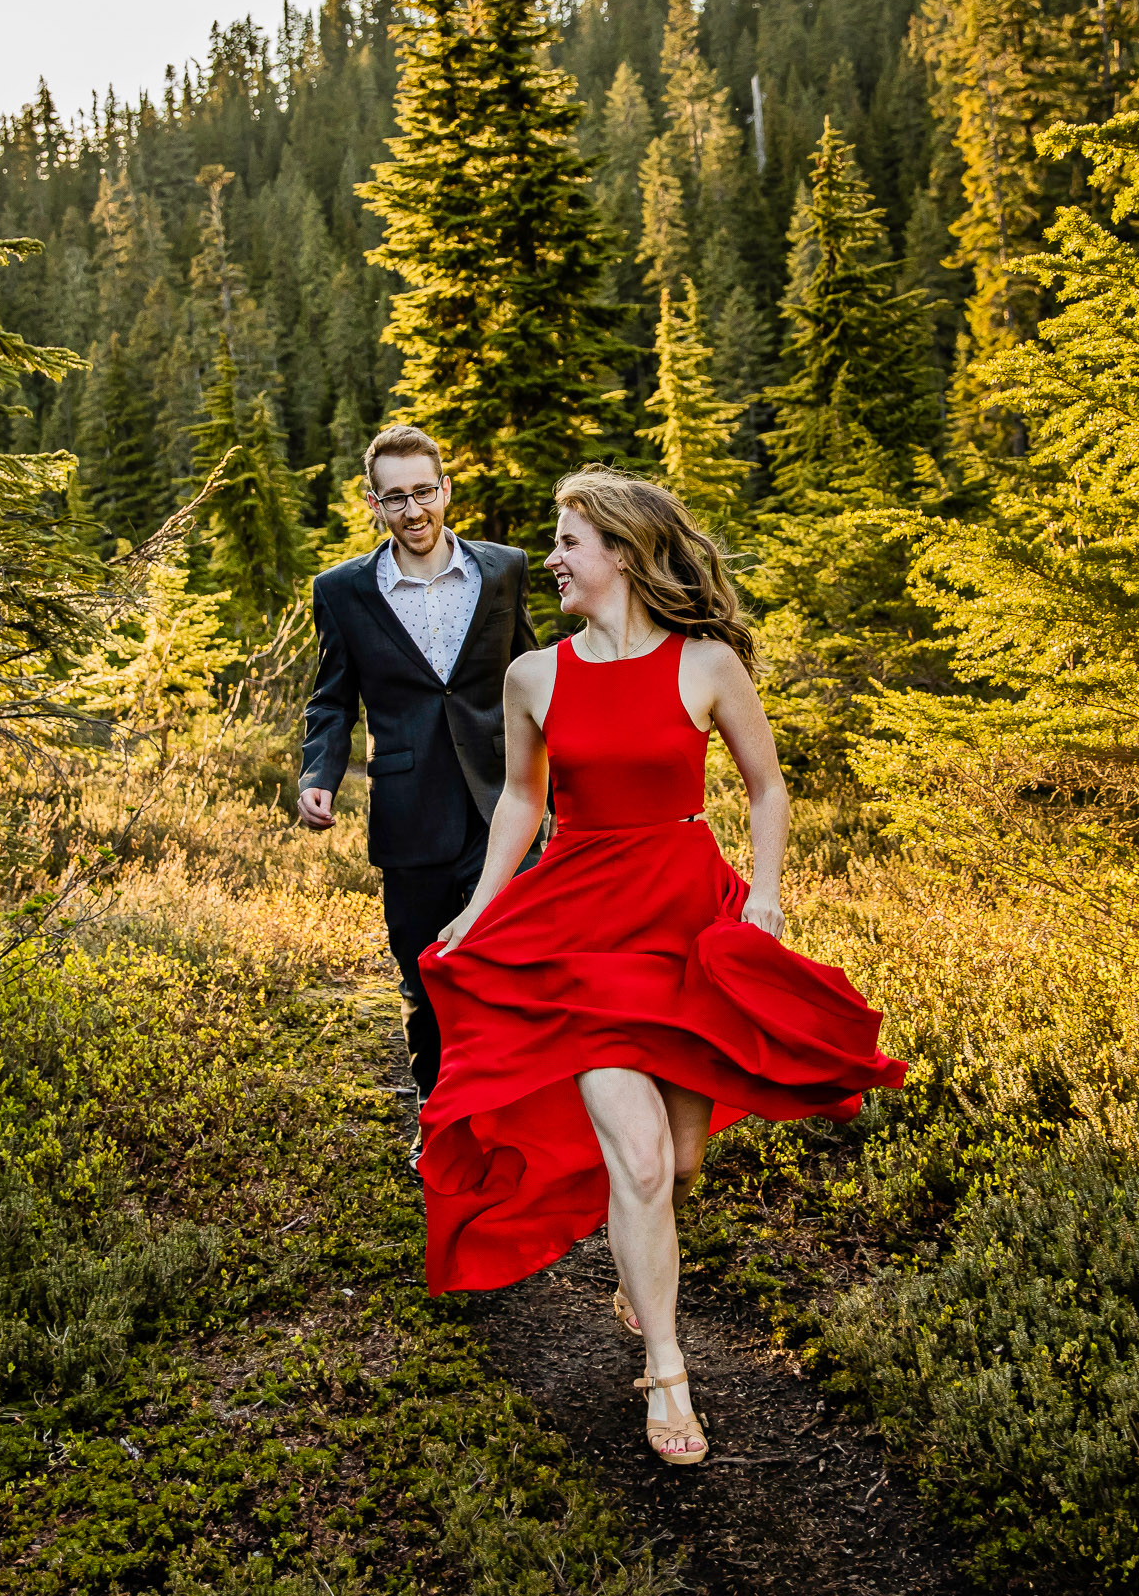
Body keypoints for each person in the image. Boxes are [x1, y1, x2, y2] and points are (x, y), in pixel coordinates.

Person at [420, 468, 906, 1469]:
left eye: (567, 544)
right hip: (577, 938)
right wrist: (479, 905)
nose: (549, 560)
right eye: (554, 545)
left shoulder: (707, 664)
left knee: (675, 1163)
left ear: (622, 556)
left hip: (683, 925)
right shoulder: (534, 677)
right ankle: (667, 1375)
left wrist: (764, 895)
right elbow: (521, 800)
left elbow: (765, 789)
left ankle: (636, 1264)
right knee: (636, 1159)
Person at [297, 425, 540, 1102]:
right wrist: (318, 772)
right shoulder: (343, 591)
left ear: (446, 490)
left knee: (520, 965)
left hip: (506, 805)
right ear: (373, 503)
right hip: (410, 816)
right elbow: (331, 699)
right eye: (395, 498)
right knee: (427, 973)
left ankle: (519, 1115)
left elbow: (535, 674)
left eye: (424, 492)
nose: (414, 512)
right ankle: (440, 1121)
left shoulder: (505, 568)